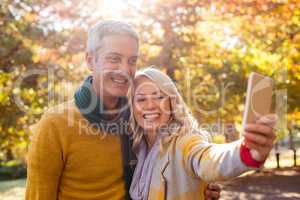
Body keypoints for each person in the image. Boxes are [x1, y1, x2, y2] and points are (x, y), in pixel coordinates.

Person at [25, 20, 220, 200]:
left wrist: (197, 185)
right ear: (90, 61)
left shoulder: (140, 118)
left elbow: (168, 160)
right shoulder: (55, 124)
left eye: (132, 61)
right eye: (114, 59)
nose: (125, 69)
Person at [128, 67, 277, 200]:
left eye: (159, 97)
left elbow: (208, 158)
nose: (150, 105)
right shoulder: (135, 149)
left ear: (171, 102)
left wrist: (244, 151)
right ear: (132, 107)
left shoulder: (184, 141)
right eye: (141, 99)